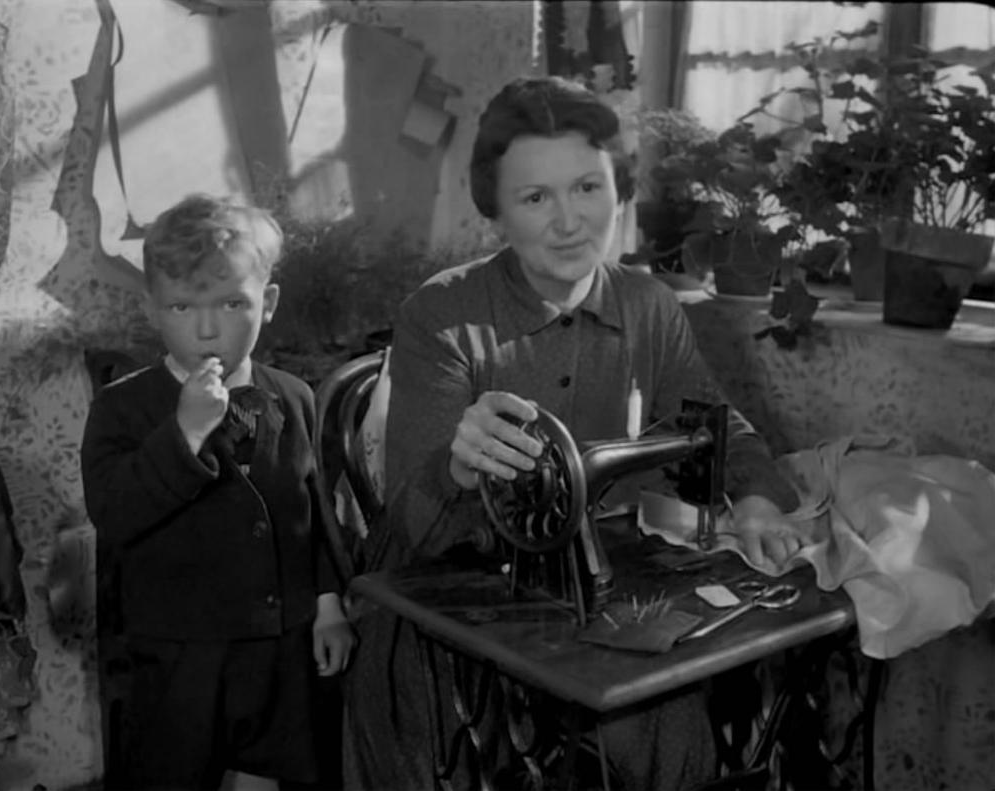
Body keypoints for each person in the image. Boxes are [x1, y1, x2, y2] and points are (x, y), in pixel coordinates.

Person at [344, 76, 808, 790]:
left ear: (618, 190)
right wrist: (456, 469)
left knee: (668, 711)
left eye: (588, 187)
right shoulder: (443, 316)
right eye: (535, 198)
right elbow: (409, 528)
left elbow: (715, 423)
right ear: (496, 210)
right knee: (448, 741)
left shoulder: (648, 306)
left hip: (588, 594)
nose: (569, 222)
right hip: (446, 602)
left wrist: (754, 498)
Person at [81, 194, 355, 791]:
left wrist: (328, 606)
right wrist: (183, 433)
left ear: (268, 302)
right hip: (178, 652)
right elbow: (115, 512)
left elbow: (313, 516)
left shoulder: (295, 396)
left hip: (279, 646)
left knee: (277, 773)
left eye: (233, 304)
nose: (207, 329)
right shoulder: (120, 408)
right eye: (182, 306)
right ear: (152, 309)